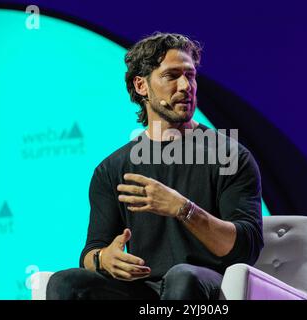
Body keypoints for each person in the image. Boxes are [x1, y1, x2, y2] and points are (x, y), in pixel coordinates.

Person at [46, 32, 263, 300]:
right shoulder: (113, 168)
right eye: (172, 76)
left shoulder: (230, 156)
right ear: (141, 86)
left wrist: (184, 210)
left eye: (190, 75)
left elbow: (247, 247)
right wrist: (104, 259)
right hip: (143, 290)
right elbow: (92, 251)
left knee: (182, 277)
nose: (186, 86)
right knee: (65, 283)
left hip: (207, 289)